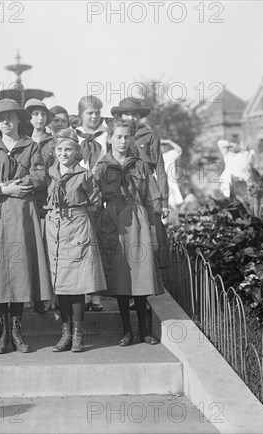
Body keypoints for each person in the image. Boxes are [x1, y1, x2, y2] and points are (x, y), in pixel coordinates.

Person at [0, 99, 52, 354]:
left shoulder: (31, 147)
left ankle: (17, 330)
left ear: (18, 120)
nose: (6, 122)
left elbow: (40, 175)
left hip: (21, 217)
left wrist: (20, 184)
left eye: (10, 117)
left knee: (19, 272)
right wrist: (4, 188)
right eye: (1, 119)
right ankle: (2, 333)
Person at [93, 118, 162, 346]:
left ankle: (144, 329)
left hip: (138, 220)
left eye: (127, 136)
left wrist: (152, 232)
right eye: (118, 136)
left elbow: (149, 201)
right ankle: (126, 330)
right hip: (114, 223)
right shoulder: (102, 168)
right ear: (110, 139)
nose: (123, 141)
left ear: (132, 138)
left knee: (140, 276)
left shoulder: (140, 166)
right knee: (121, 277)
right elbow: (95, 201)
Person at [45, 129, 107, 351]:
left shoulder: (84, 175)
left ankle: (78, 334)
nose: (64, 153)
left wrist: (79, 219)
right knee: (61, 285)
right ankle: (66, 334)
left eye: (69, 149)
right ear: (54, 151)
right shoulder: (49, 173)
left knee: (78, 285)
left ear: (76, 151)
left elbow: (95, 204)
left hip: (78, 229)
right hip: (55, 232)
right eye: (60, 149)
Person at [112, 97, 170, 270]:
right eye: (127, 114)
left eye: (135, 114)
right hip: (125, 185)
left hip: (148, 185)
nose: (131, 118)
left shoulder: (149, 135)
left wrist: (165, 201)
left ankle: (151, 280)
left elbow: (160, 167)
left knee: (152, 230)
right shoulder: (116, 136)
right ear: (121, 115)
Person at [75, 95, 108, 312]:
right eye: (89, 113)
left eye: (96, 113)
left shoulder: (106, 138)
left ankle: (96, 297)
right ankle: (81, 295)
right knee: (80, 247)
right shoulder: (73, 137)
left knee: (98, 247)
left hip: (101, 197)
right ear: (80, 116)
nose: (94, 117)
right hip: (79, 198)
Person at [24, 98, 55, 314]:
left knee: (47, 248)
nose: (39, 118)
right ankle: (32, 296)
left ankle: (49, 297)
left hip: (47, 201)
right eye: (35, 114)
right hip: (26, 199)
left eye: (43, 114)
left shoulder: (52, 143)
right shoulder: (23, 142)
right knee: (30, 248)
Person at [160, 139, 185, 220]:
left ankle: (174, 227)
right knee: (161, 209)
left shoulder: (170, 154)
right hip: (160, 185)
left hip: (171, 185)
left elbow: (179, 150)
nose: (162, 147)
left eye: (164, 145)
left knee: (173, 206)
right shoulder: (154, 156)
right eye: (161, 145)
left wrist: (169, 141)